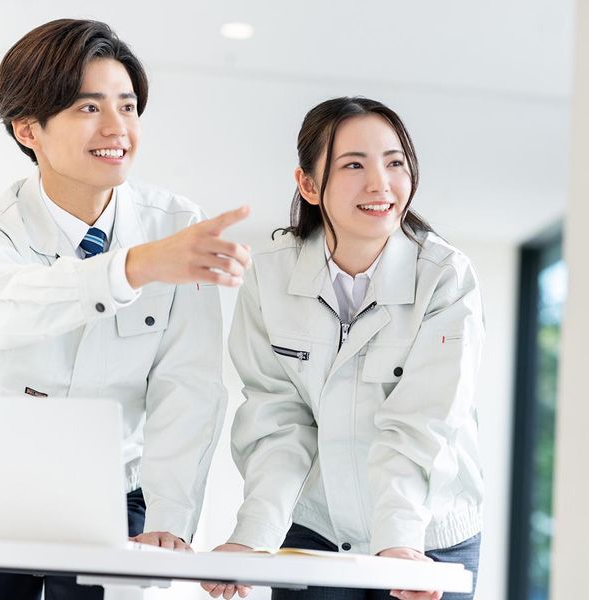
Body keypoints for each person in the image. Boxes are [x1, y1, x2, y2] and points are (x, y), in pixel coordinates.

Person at [0, 18, 251, 600]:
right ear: (28, 128)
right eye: (88, 108)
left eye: (127, 107)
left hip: (114, 494)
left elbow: (188, 385)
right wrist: (131, 268)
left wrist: (171, 516)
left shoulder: (175, 226)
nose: (117, 128)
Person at [204, 97, 484, 600]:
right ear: (309, 185)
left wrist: (398, 540)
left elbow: (423, 423)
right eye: (354, 165)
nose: (380, 184)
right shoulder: (269, 277)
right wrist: (255, 536)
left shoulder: (446, 278)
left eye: (395, 163)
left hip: (428, 533)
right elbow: (278, 420)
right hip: (317, 527)